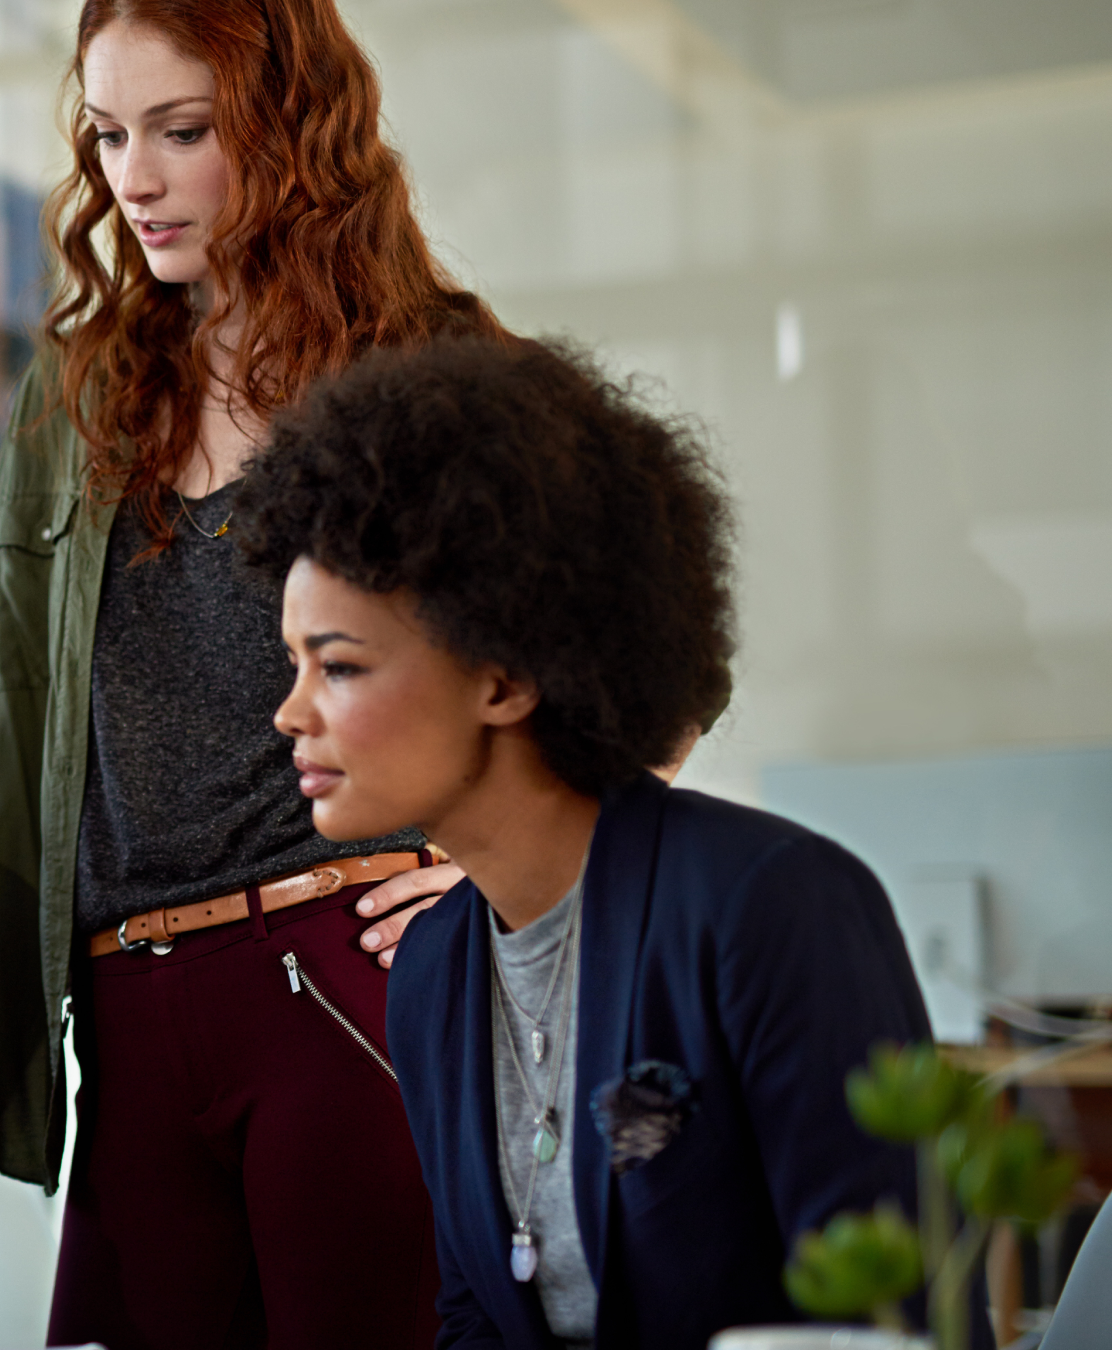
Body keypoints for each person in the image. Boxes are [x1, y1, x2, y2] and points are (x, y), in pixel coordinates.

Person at [0, 0, 513, 1343]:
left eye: (182, 131)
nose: (133, 178)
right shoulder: (77, 395)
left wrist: (498, 871)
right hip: (121, 1014)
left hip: (342, 985)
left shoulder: (437, 369)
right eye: (112, 133)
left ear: (290, 127)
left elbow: (646, 668)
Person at [236, 334, 933, 1347]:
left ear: (507, 677)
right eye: (295, 664)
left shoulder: (773, 905)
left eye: (337, 666)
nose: (290, 715)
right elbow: (477, 1314)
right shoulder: (434, 968)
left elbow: (884, 1314)